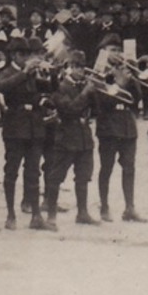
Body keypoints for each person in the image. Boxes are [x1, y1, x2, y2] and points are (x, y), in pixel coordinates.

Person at [0, 38, 54, 230]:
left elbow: (49, 90)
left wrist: (50, 74)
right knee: (11, 170)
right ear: (14, 55)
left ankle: (36, 215)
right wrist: (24, 72)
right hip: (15, 126)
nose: (26, 58)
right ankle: (11, 214)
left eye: (28, 55)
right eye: (22, 55)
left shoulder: (32, 72)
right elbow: (2, 87)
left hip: (34, 126)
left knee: (33, 171)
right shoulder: (7, 71)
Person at [44, 52, 99, 231]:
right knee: (56, 177)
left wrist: (95, 90)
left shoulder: (85, 85)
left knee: (83, 176)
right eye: (76, 67)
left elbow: (97, 110)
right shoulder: (60, 86)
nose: (80, 71)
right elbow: (69, 109)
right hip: (66, 137)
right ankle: (51, 215)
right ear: (69, 67)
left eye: (82, 67)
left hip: (84, 137)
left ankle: (82, 213)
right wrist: (86, 92)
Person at [94, 44, 146, 224]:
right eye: (112, 49)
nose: (117, 53)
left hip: (126, 124)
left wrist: (133, 78)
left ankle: (129, 207)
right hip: (108, 125)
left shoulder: (126, 70)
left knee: (129, 168)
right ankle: (104, 206)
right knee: (106, 168)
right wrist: (120, 83)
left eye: (118, 49)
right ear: (104, 52)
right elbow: (102, 101)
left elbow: (137, 99)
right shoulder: (100, 72)